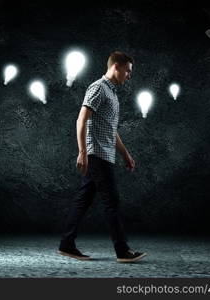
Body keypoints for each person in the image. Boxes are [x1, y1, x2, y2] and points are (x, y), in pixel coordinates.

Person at [58, 51, 147, 263]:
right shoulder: (98, 88)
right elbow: (81, 119)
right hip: (96, 154)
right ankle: (122, 251)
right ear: (116, 66)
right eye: (127, 71)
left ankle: (66, 244)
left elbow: (110, 128)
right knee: (112, 201)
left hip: (106, 154)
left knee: (83, 200)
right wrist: (82, 152)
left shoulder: (112, 93)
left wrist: (125, 154)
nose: (129, 75)